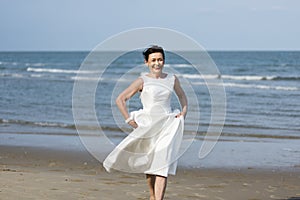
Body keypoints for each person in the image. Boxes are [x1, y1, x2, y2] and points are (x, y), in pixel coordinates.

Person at [103, 45, 187, 200]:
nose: (157, 63)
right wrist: (129, 120)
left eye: (160, 59)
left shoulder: (172, 79)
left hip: (167, 125)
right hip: (148, 125)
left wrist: (183, 112)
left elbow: (182, 96)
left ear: (164, 61)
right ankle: (152, 195)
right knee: (150, 163)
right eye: (153, 60)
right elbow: (120, 99)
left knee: (162, 164)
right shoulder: (142, 80)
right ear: (146, 62)